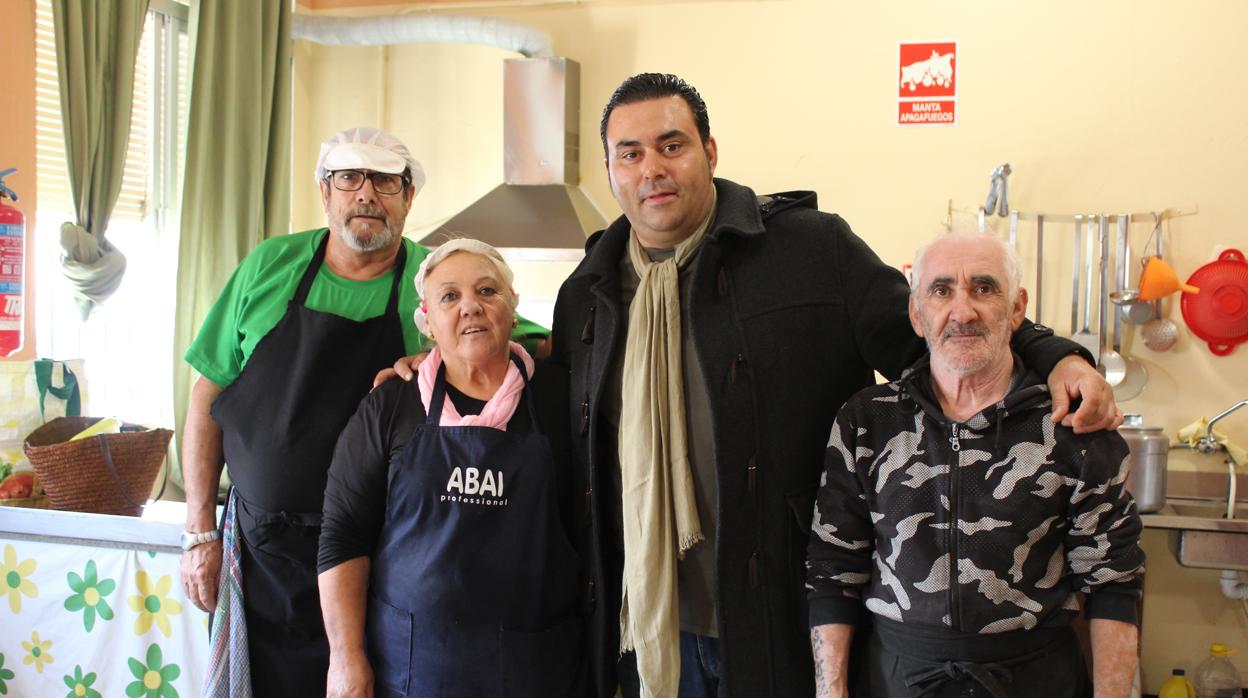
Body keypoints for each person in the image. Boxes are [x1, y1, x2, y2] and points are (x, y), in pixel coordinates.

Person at [544, 74, 1125, 697]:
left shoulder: (812, 251)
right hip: (646, 628)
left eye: (671, 145)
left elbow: (938, 334)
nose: (651, 168)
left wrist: (1057, 355)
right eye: (629, 153)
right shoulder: (589, 293)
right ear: (609, 169)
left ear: (710, 152)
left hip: (789, 619)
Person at [179, 127, 547, 696]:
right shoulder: (271, 265)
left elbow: (526, 345)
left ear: (408, 198)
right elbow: (207, 396)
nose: (366, 194)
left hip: (371, 568)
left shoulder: (438, 283)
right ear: (325, 192)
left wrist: (437, 353)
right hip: (261, 557)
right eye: (349, 178)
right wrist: (198, 531)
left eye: (385, 182)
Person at [807, 233, 1144, 698]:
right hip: (897, 679)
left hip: (1035, 678)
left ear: (1017, 309)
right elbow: (833, 572)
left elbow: (1114, 583)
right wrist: (831, 691)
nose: (962, 312)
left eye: (984, 288)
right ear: (916, 314)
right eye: (941, 290)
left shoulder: (1073, 424)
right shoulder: (867, 420)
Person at [317, 238, 584, 698]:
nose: (471, 308)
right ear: (427, 320)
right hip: (412, 669)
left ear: (512, 306)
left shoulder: (564, 399)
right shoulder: (389, 406)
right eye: (450, 297)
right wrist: (345, 660)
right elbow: (343, 535)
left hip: (537, 667)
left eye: (487, 291)